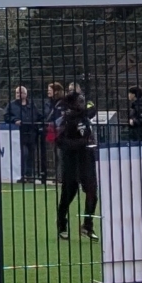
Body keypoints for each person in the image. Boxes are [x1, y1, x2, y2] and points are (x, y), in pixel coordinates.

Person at [56, 84, 98, 238]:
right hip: (71, 160)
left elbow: (92, 107)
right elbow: (59, 141)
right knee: (68, 194)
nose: (83, 103)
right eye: (80, 101)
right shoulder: (66, 120)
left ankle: (87, 225)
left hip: (87, 159)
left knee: (92, 191)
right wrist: (81, 143)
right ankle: (61, 223)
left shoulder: (85, 117)